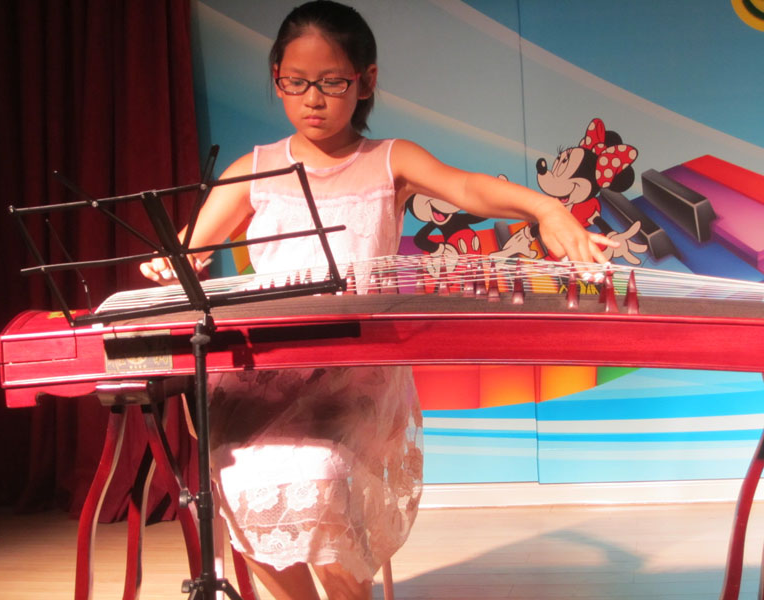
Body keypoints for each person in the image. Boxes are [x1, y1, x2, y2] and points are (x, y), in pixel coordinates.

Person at [141, 2, 617, 598]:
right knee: (241, 480)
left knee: (322, 474)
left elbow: (469, 188)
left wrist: (547, 208)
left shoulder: (391, 160)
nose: (313, 99)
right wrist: (172, 262)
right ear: (276, 79)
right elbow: (190, 248)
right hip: (266, 372)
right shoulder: (253, 169)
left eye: (332, 82)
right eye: (295, 83)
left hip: (355, 375)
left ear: (365, 81)